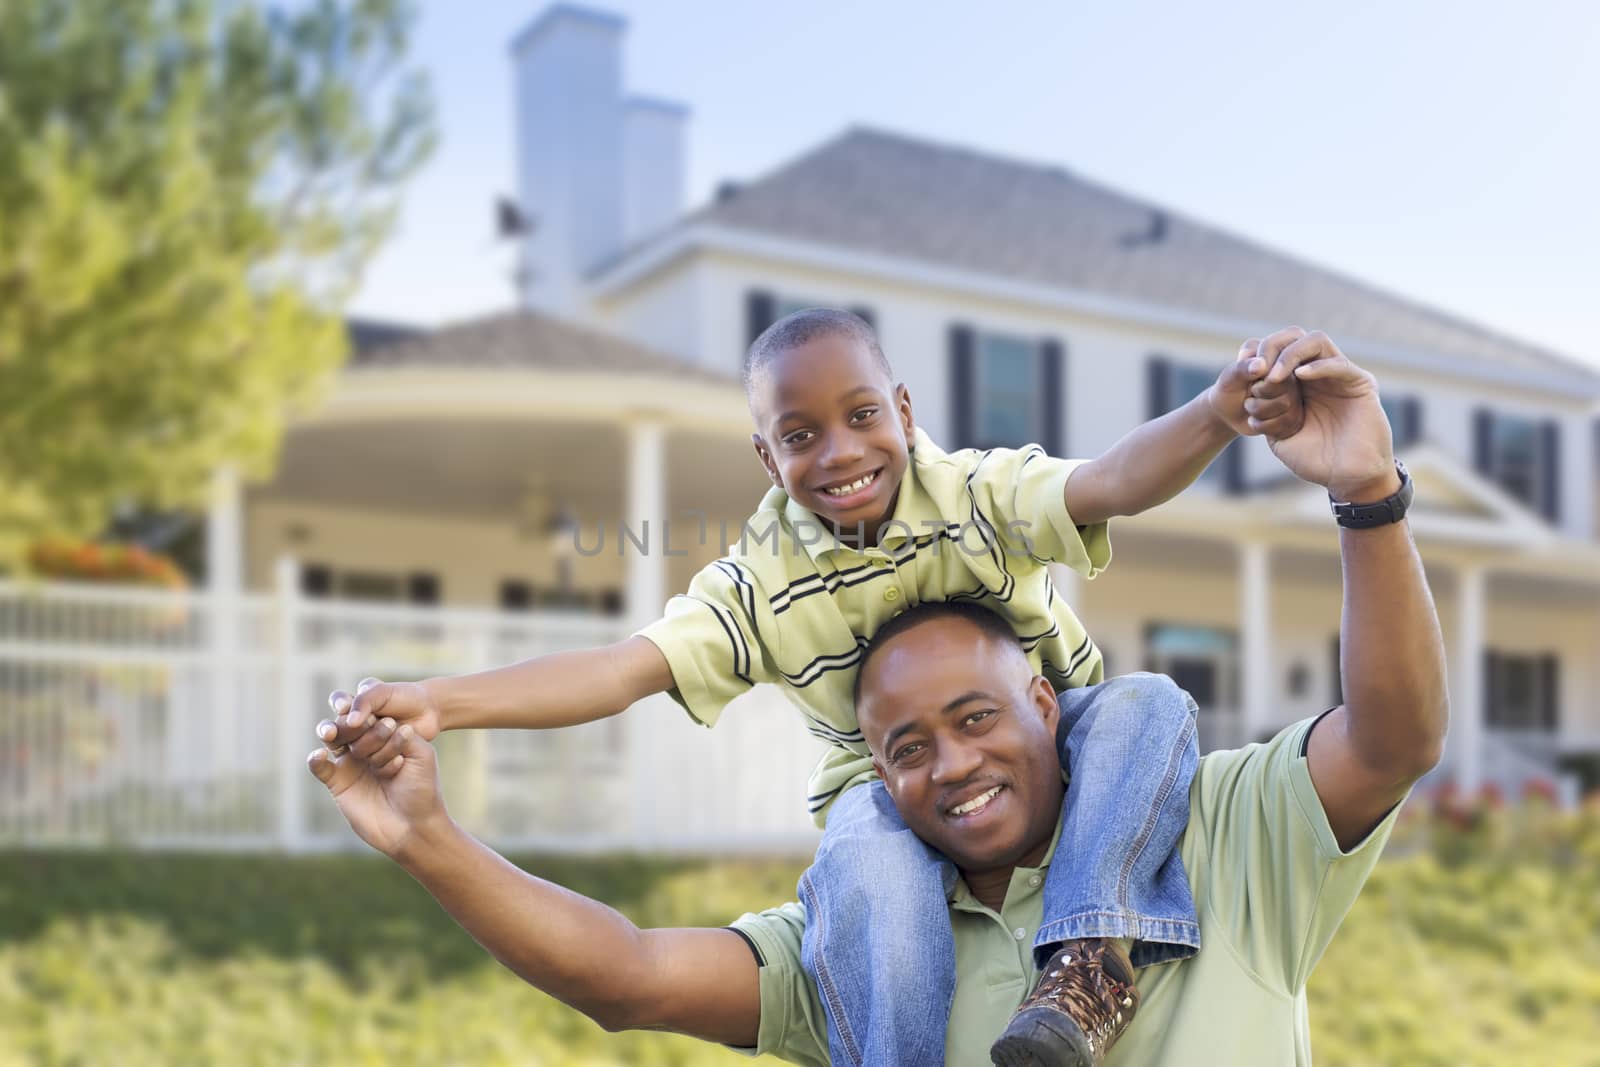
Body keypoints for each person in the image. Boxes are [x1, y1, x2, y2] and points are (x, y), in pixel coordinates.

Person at [309, 330, 1446, 1065]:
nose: (950, 761)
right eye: (798, 434)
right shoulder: (766, 598)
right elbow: (620, 690)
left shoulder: (1219, 834)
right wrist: (438, 732)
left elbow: (1111, 482)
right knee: (862, 850)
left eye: (975, 719)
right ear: (766, 458)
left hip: (1106, 748)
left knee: (1148, 698)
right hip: (868, 826)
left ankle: (1090, 954)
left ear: (903, 408)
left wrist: (1248, 430)